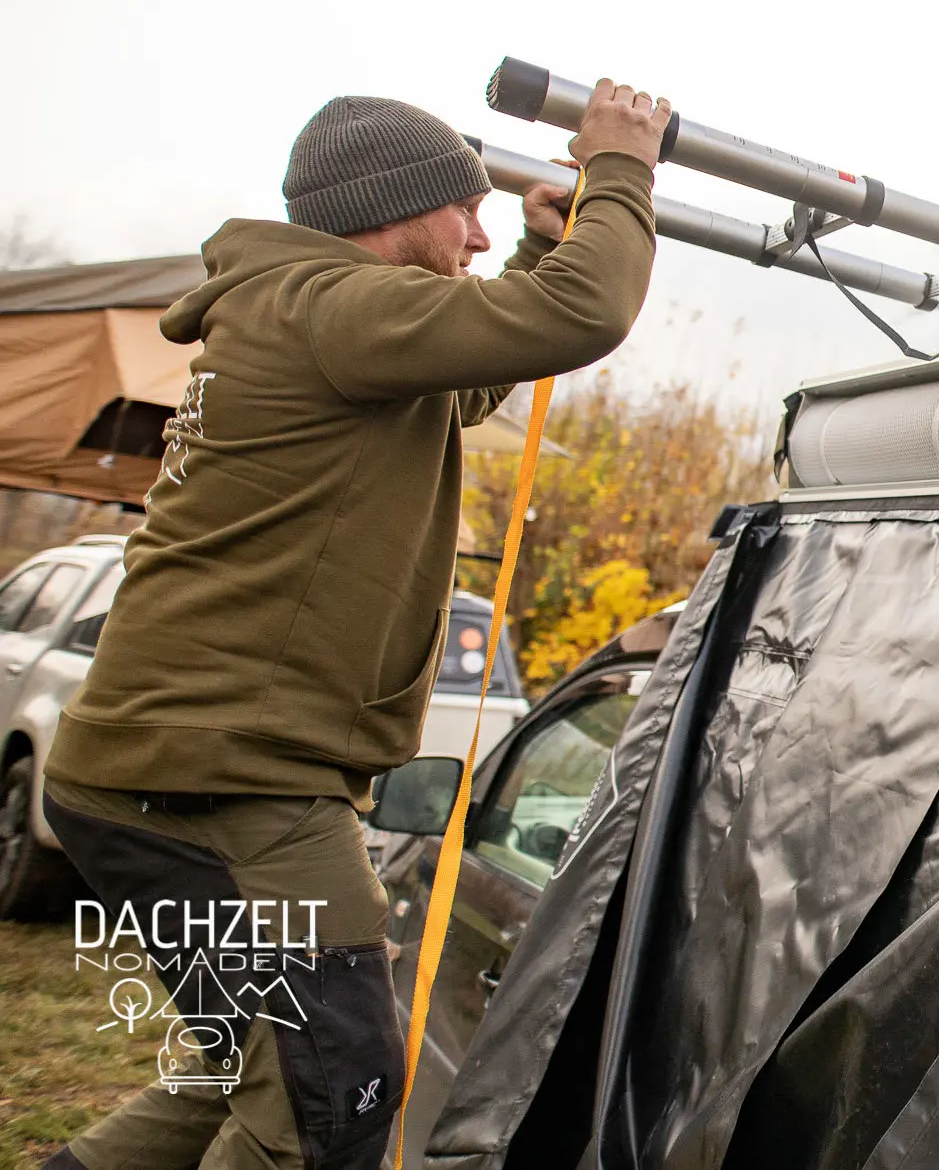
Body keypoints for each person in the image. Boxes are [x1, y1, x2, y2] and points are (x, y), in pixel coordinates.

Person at [38, 80, 671, 1170]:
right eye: (465, 211)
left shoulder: (318, 315)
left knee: (267, 1074)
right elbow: (585, 314)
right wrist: (621, 166)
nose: (478, 235)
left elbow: (467, 382)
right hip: (224, 782)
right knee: (336, 1096)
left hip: (169, 767)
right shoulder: (334, 307)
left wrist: (533, 251)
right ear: (394, 208)